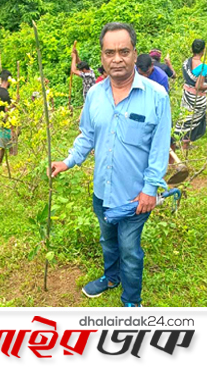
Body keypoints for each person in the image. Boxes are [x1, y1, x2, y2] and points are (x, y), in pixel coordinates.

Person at [50, 23, 170, 307]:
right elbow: (87, 136)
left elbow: (159, 149)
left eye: (124, 51)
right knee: (108, 241)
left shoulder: (157, 97)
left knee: (130, 249)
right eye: (110, 52)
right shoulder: (94, 95)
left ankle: (131, 300)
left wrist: (150, 189)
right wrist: (67, 161)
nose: (117, 58)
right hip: (102, 194)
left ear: (134, 53)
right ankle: (111, 277)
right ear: (102, 57)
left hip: (134, 197)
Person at [174, 39, 207, 146]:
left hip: (187, 96)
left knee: (185, 119)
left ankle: (179, 143)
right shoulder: (203, 67)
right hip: (197, 99)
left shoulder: (186, 63)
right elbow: (198, 86)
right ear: (203, 50)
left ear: (192, 49)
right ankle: (185, 145)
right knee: (194, 122)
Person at [0, 69, 13, 165]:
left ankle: (0, 161)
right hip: (5, 121)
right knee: (3, 144)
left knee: (0, 142)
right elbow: (7, 110)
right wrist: (15, 104)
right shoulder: (5, 94)